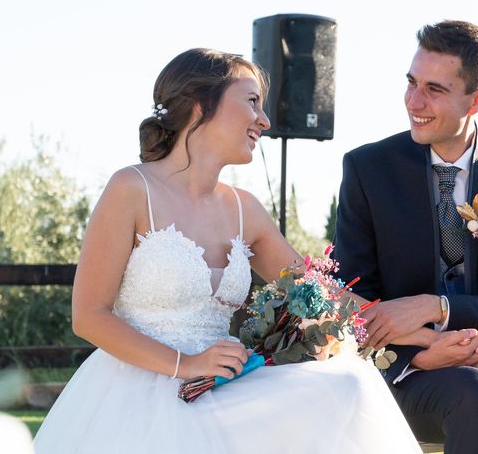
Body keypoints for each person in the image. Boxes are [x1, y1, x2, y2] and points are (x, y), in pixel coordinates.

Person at [33, 48, 420, 453]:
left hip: (221, 389)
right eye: (252, 102)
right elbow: (89, 317)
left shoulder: (245, 209)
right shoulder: (131, 189)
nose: (264, 121)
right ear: (202, 105)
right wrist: (187, 364)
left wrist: (428, 336)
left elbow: (327, 299)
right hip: (136, 394)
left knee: (349, 384)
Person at [332, 20, 478, 454]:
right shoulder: (367, 169)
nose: (414, 102)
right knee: (472, 392)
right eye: (411, 83)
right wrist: (421, 351)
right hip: (403, 365)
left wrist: (440, 308)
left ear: (476, 100)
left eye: (434, 90)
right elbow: (348, 298)